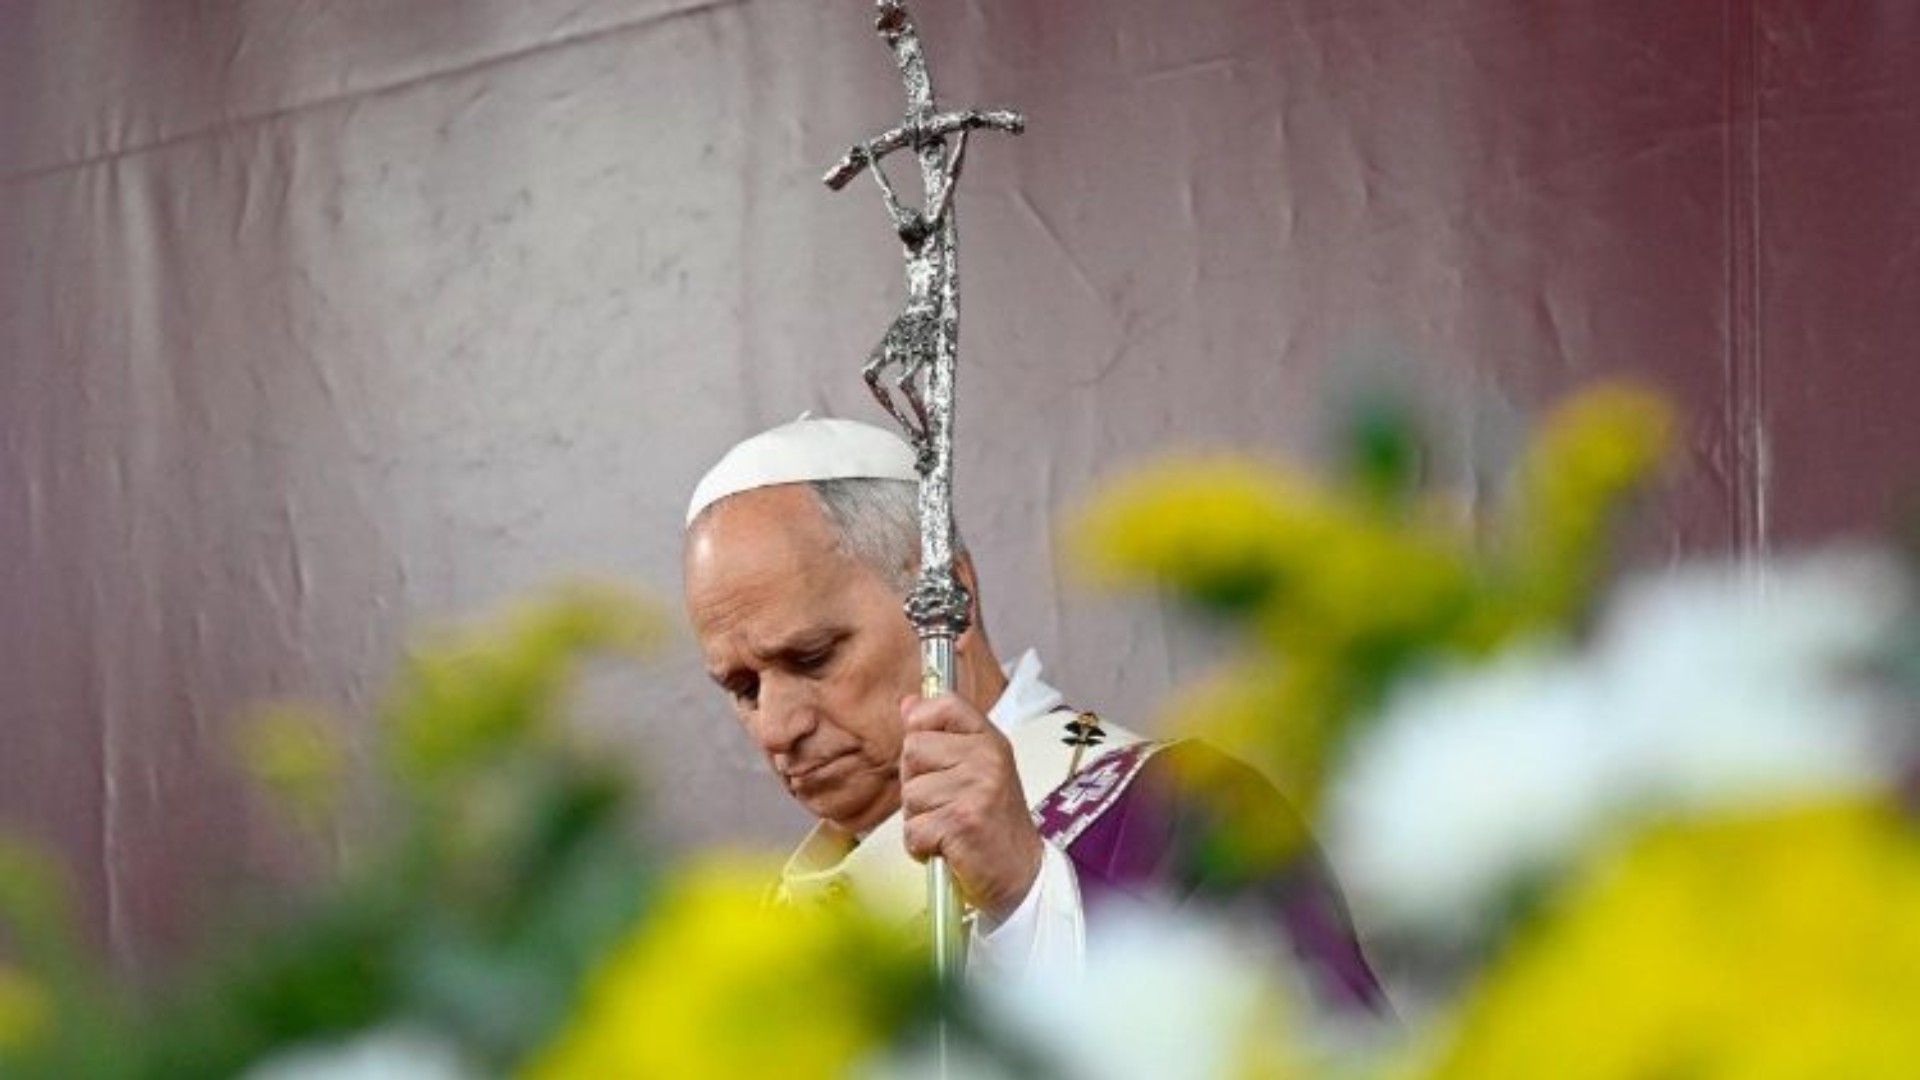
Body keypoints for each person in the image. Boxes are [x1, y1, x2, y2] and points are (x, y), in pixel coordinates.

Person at [681, 416, 1384, 1010]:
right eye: (743, 688)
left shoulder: (1190, 816)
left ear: (947, 601)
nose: (777, 729)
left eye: (812, 658)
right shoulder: (778, 922)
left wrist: (1025, 897)